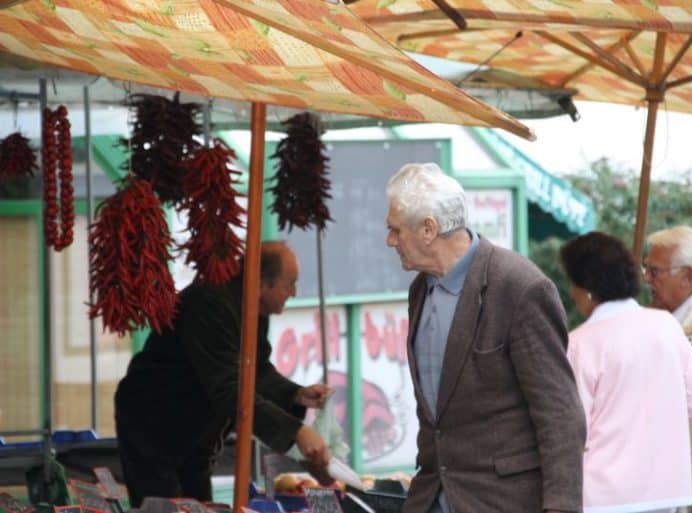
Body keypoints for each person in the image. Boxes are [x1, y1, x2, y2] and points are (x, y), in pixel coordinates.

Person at [384, 162, 586, 513]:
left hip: (503, 501)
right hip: (433, 496)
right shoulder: (421, 290)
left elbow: (560, 414)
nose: (390, 241)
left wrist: (561, 506)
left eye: (395, 230)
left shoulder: (519, 286)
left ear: (429, 229)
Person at [115, 241, 331, 507]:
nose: (294, 292)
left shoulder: (252, 308)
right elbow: (229, 388)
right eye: (290, 284)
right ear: (262, 283)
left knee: (200, 505)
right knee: (164, 507)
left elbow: (257, 370)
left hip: (195, 434)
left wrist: (296, 394)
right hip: (153, 426)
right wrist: (296, 431)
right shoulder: (211, 303)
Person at [561, 231, 692, 513]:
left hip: (601, 495)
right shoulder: (666, 326)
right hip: (667, 491)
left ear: (587, 287)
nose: (571, 293)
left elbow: (572, 427)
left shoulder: (580, 343)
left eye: (573, 283)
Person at [644, 226, 692, 513]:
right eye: (645, 270)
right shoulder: (664, 318)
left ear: (687, 276)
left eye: (655, 271)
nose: (646, 280)